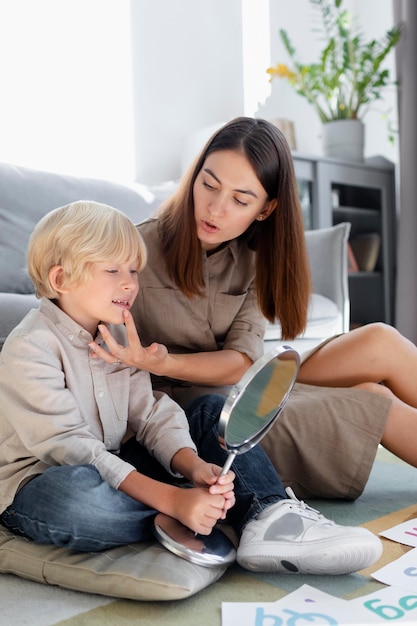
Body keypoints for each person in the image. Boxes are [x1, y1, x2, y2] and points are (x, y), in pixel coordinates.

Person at [0, 200, 383, 577]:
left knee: (210, 410)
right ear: (60, 279)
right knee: (77, 501)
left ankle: (270, 514)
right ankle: (189, 509)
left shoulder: (117, 334)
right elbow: (73, 448)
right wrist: (173, 497)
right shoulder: (30, 347)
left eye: (134, 270)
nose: (130, 283)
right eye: (113, 269)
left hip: (116, 461)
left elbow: (149, 413)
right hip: (44, 479)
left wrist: (194, 465)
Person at [89, 116, 417, 503]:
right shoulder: (136, 249)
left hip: (242, 380)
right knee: (371, 400)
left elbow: (242, 362)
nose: (215, 208)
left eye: (240, 200)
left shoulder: (256, 258)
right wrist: (153, 366)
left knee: (381, 340)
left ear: (265, 209)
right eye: (208, 185)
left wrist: (162, 361)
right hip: (195, 410)